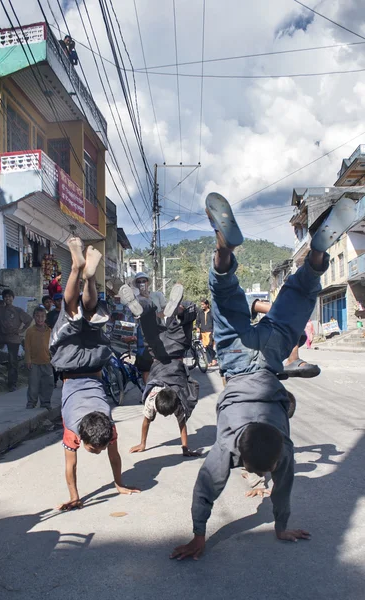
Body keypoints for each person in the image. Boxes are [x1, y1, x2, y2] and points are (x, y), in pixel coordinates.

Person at [171, 191, 356, 560]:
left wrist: (200, 535)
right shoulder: (228, 446)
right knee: (223, 298)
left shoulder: (282, 446)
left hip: (270, 352)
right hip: (238, 358)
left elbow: (275, 486)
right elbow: (205, 488)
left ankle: (316, 256)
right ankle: (223, 251)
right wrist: (278, 526)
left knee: (298, 295)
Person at [50, 237, 139, 510]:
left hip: (95, 362)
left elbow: (93, 460)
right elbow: (75, 464)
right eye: (95, 448)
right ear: (82, 438)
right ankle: (78, 271)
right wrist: (118, 484)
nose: (97, 452)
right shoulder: (75, 429)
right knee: (73, 312)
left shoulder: (106, 426)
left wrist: (77, 498)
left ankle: (86, 277)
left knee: (82, 315)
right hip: (70, 365)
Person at [119, 283, 201, 457]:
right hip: (157, 351)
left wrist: (142, 444)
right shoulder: (153, 400)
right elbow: (152, 423)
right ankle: (164, 311)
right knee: (151, 327)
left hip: (172, 351)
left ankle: (154, 309)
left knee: (178, 329)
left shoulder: (173, 399)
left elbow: (178, 423)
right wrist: (185, 449)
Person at [0, 289, 32, 391]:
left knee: (12, 362)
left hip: (13, 338)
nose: (7, 298)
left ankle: (12, 384)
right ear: (3, 299)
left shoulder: (18, 310)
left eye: (9, 296)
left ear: (13, 298)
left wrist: (22, 330)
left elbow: (29, 319)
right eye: (5, 297)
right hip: (2, 336)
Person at [25, 306, 54, 410]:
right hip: (34, 362)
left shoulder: (49, 331)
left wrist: (53, 360)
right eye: (37, 316)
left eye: (42, 316)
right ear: (34, 317)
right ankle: (31, 402)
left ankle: (45, 402)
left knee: (48, 383)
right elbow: (27, 347)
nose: (40, 319)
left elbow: (52, 346)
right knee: (33, 384)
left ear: (45, 318)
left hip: (47, 361)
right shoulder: (30, 331)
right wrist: (28, 360)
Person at [46, 293, 63, 388]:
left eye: (61, 300)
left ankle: (65, 379)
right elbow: (47, 327)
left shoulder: (67, 312)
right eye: (57, 300)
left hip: (65, 341)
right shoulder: (50, 315)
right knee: (54, 362)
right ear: (54, 302)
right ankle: (54, 380)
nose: (59, 302)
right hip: (54, 341)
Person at [196, 299, 217, 367]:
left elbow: (215, 322)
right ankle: (209, 361)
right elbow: (197, 321)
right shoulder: (200, 312)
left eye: (203, 304)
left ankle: (213, 359)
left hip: (210, 331)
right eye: (201, 304)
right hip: (203, 332)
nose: (202, 306)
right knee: (205, 347)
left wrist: (215, 330)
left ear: (207, 305)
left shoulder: (211, 312)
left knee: (209, 345)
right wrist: (197, 327)